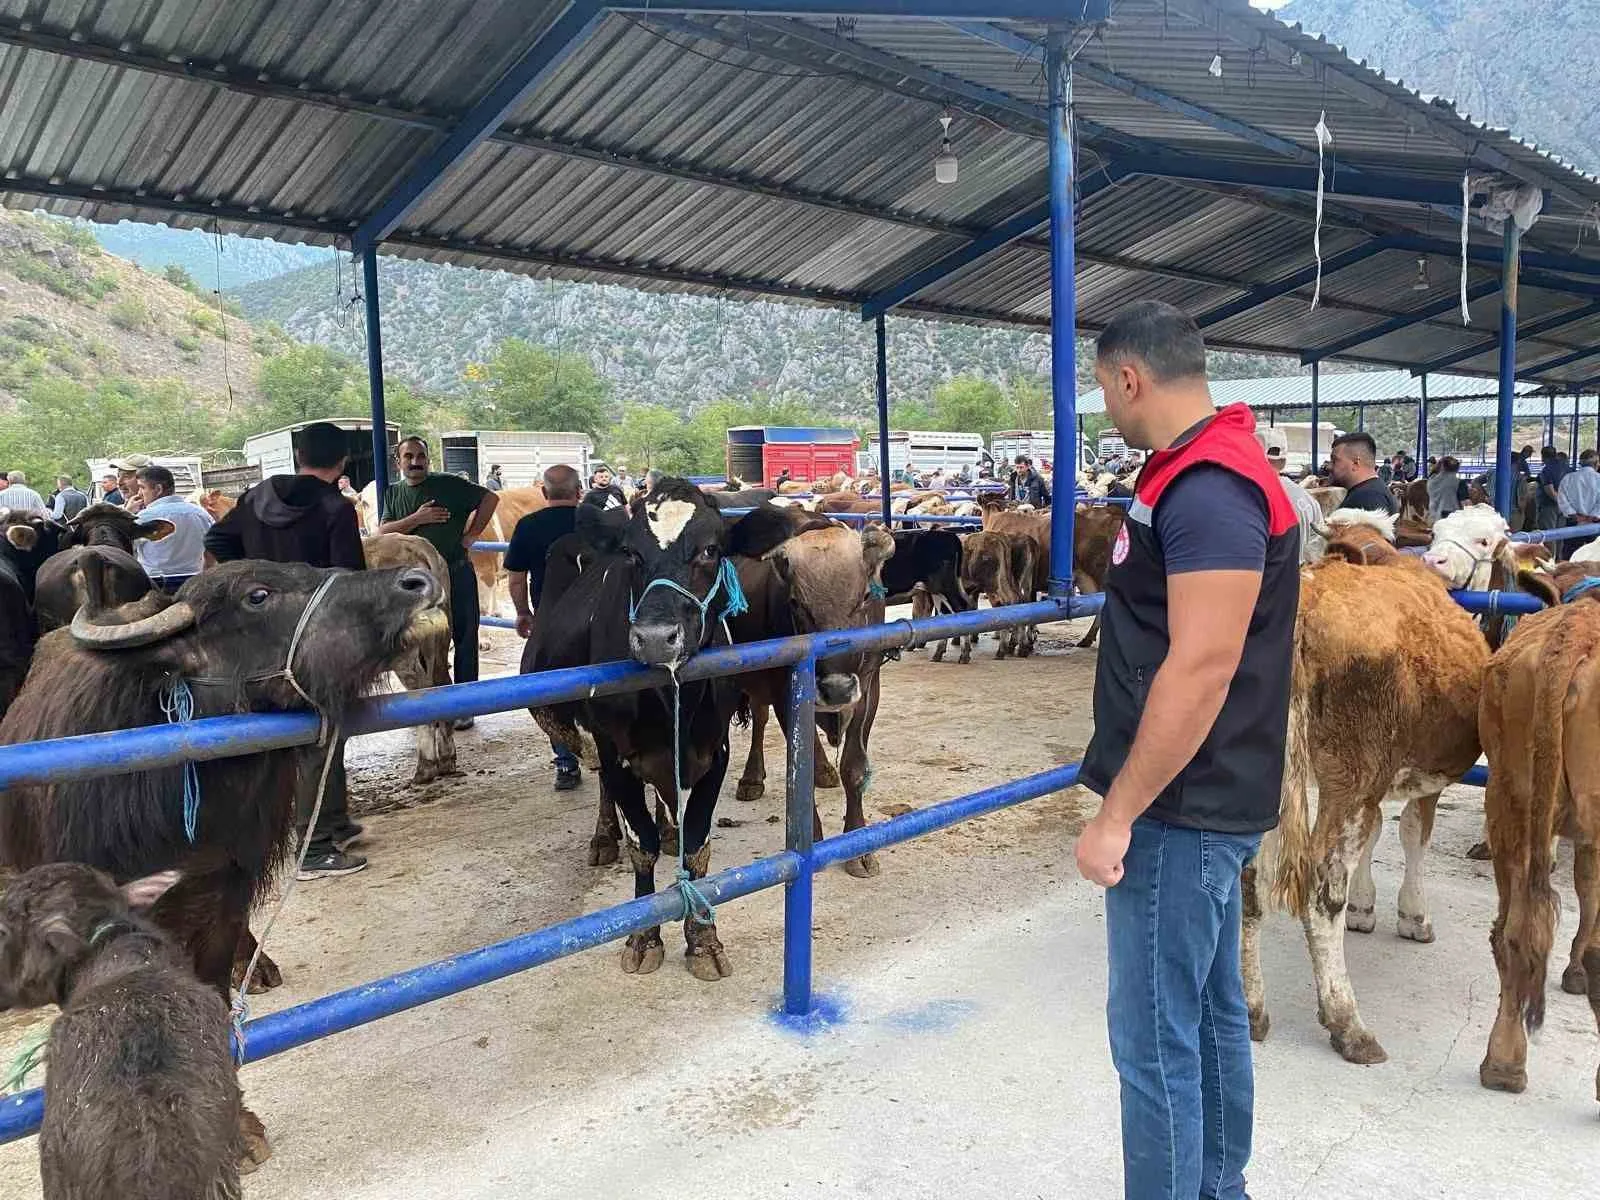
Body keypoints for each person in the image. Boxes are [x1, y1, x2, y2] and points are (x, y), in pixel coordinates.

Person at [1076, 301, 1298, 1200]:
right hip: (1205, 796)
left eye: (1102, 389)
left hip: (1179, 807)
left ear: (1130, 378)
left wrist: (1116, 813)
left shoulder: (1209, 486)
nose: (1105, 408)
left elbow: (1202, 666)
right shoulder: (1198, 469)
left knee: (1153, 1039)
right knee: (1206, 1021)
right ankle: (1217, 1189)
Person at [204, 421, 368, 879]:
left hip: (260, 638)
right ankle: (313, 848)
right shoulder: (335, 508)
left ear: (298, 455)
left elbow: (216, 540)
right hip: (315, 638)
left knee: (314, 730)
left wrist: (255, 584)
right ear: (342, 463)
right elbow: (348, 579)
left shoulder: (256, 497)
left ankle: (333, 820)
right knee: (319, 732)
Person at [378, 436, 498, 724]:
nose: (415, 462)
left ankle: (464, 706)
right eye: (409, 457)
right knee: (421, 640)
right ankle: (431, 704)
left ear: (428, 459)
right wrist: (417, 518)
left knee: (465, 637)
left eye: (421, 456)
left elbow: (490, 498)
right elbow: (383, 531)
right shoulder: (393, 493)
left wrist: (471, 535)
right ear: (398, 462)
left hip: (455, 571)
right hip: (415, 583)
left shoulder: (449, 484)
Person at [505, 464, 585, 790]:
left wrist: (524, 612)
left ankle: (566, 762)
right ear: (580, 492)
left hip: (550, 621)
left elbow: (515, 578)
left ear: (544, 492)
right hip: (602, 619)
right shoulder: (599, 524)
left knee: (551, 691)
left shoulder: (528, 526)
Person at [132, 466, 211, 585]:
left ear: (158, 489)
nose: (139, 494)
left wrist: (128, 513)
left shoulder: (144, 517)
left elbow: (125, 548)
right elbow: (212, 550)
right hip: (194, 584)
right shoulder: (202, 514)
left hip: (155, 585)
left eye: (142, 488)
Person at [1256, 432, 1326, 563]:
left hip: (1268, 578)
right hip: (1302, 577)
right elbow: (1319, 547)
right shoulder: (1309, 499)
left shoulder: (1256, 496)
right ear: (1284, 461)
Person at [1327, 431, 1398, 514]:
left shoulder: (1367, 498)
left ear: (1356, 463)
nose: (1329, 467)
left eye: (1335, 460)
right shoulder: (1372, 491)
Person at [1557, 448, 1600, 560]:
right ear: (1596, 464)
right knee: (1596, 557)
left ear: (1580, 463)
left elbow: (1562, 499)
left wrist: (1576, 516)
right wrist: (1591, 517)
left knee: (1570, 557)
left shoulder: (1568, 478)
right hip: (1595, 524)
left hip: (1573, 523)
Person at [1536, 445, 1571, 533]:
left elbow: (1550, 492)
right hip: (1564, 507)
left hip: (1549, 506)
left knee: (1549, 535)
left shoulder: (1546, 470)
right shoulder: (1568, 468)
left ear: (1543, 456)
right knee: (1561, 534)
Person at [1426, 455, 1465, 520]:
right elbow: (1466, 505)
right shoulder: (1459, 482)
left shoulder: (1431, 481)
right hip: (1452, 518)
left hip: (1435, 517)